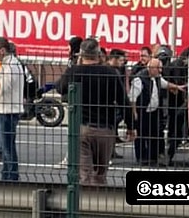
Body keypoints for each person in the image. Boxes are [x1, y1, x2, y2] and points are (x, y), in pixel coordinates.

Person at [57, 37, 134, 186]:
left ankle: (83, 204)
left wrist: (75, 66)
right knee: (100, 174)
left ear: (80, 54)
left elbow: (60, 88)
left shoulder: (74, 71)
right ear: (99, 54)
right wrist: (131, 126)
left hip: (81, 127)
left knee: (84, 174)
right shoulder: (110, 73)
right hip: (105, 128)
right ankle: (98, 204)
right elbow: (123, 101)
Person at [129, 56, 185, 167]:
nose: (160, 71)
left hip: (153, 111)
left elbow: (165, 84)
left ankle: (153, 157)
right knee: (141, 135)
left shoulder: (157, 77)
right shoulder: (139, 79)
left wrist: (177, 87)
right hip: (142, 111)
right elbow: (132, 98)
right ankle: (141, 158)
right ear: (151, 68)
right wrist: (134, 113)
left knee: (154, 134)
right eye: (158, 68)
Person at [0, 36, 25, 182]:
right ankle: (6, 175)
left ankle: (12, 177)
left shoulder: (11, 66)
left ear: (2, 50)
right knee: (5, 146)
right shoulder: (6, 64)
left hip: (7, 111)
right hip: (2, 109)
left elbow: (1, 89)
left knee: (7, 146)